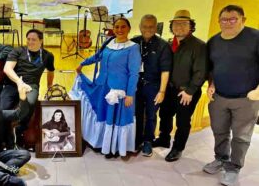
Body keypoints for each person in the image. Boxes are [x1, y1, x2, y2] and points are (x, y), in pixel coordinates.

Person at [203, 5, 259, 186]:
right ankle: (221, 158)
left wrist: (258, 91)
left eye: (233, 19)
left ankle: (234, 167)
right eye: (224, 20)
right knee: (219, 131)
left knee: (241, 136)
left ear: (243, 19)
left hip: (246, 99)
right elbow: (211, 67)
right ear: (219, 22)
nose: (228, 23)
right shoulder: (213, 41)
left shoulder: (255, 37)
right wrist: (211, 84)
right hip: (219, 97)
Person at [73, 18, 141, 158]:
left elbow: (134, 73)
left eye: (123, 27)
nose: (119, 30)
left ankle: (114, 148)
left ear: (128, 29)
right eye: (117, 27)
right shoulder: (109, 42)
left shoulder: (133, 48)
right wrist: (83, 64)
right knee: (103, 115)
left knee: (115, 119)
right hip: (102, 85)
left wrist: (129, 94)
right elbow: (98, 56)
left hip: (118, 90)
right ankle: (102, 144)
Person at [152, 9, 207, 162]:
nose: (179, 27)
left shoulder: (199, 46)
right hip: (169, 89)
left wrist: (190, 91)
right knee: (165, 115)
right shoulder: (169, 44)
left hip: (186, 92)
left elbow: (201, 71)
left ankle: (178, 148)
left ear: (191, 26)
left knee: (183, 121)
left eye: (184, 24)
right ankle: (164, 138)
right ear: (172, 26)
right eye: (176, 24)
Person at [2, 29, 55, 148]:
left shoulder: (48, 55)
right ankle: (4, 135)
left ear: (41, 41)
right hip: (13, 84)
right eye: (28, 39)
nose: (30, 42)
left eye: (34, 40)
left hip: (31, 85)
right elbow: (7, 69)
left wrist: (49, 86)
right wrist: (19, 82)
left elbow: (51, 71)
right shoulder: (18, 51)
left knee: (30, 103)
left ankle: (19, 130)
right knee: (2, 107)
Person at [132, 14, 172, 157]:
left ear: (156, 27)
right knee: (136, 113)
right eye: (145, 26)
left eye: (151, 27)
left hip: (153, 87)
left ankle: (148, 141)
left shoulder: (163, 46)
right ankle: (136, 140)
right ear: (140, 27)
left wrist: (162, 91)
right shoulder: (134, 43)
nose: (147, 29)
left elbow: (165, 71)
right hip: (136, 86)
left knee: (150, 115)